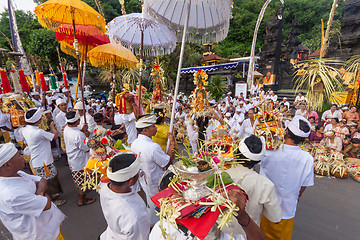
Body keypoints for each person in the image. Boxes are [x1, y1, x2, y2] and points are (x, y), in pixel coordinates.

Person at [260, 115, 314, 240]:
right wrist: (297, 196)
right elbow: (303, 186)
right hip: (288, 207)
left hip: (266, 204)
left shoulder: (268, 151)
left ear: (286, 132)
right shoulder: (307, 159)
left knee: (261, 234)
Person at [0, 143, 66, 239]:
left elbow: (41, 180)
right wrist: (41, 192)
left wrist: (38, 194)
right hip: (41, 236)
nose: (23, 157)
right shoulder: (11, 193)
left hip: (48, 229)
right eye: (18, 155)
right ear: (8, 164)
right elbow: (47, 204)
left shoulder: (17, 173)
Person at [222, 135, 282, 240]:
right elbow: (275, 218)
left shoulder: (219, 175)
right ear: (258, 161)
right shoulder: (265, 185)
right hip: (248, 235)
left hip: (220, 235)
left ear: (236, 153)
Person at [131, 114, 176, 225]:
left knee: (151, 204)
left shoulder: (135, 143)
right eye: (153, 126)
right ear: (145, 130)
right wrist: (173, 144)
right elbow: (166, 163)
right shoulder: (152, 147)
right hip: (157, 183)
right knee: (159, 209)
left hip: (145, 182)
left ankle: (152, 223)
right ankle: (157, 228)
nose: (156, 128)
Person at [99, 151, 150, 240]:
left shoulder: (104, 188)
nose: (139, 174)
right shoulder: (135, 214)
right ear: (130, 181)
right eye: (137, 172)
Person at [22, 108, 66, 205]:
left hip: (38, 160)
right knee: (47, 182)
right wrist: (51, 126)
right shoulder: (38, 132)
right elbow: (54, 136)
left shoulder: (24, 130)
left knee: (49, 179)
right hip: (44, 161)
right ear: (38, 120)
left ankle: (51, 198)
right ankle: (51, 202)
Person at [64, 111, 96, 206]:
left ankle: (83, 198)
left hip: (73, 159)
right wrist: (86, 136)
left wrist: (82, 130)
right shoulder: (78, 134)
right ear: (78, 120)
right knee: (82, 182)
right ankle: (81, 200)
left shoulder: (67, 128)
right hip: (79, 161)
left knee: (80, 180)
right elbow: (86, 148)